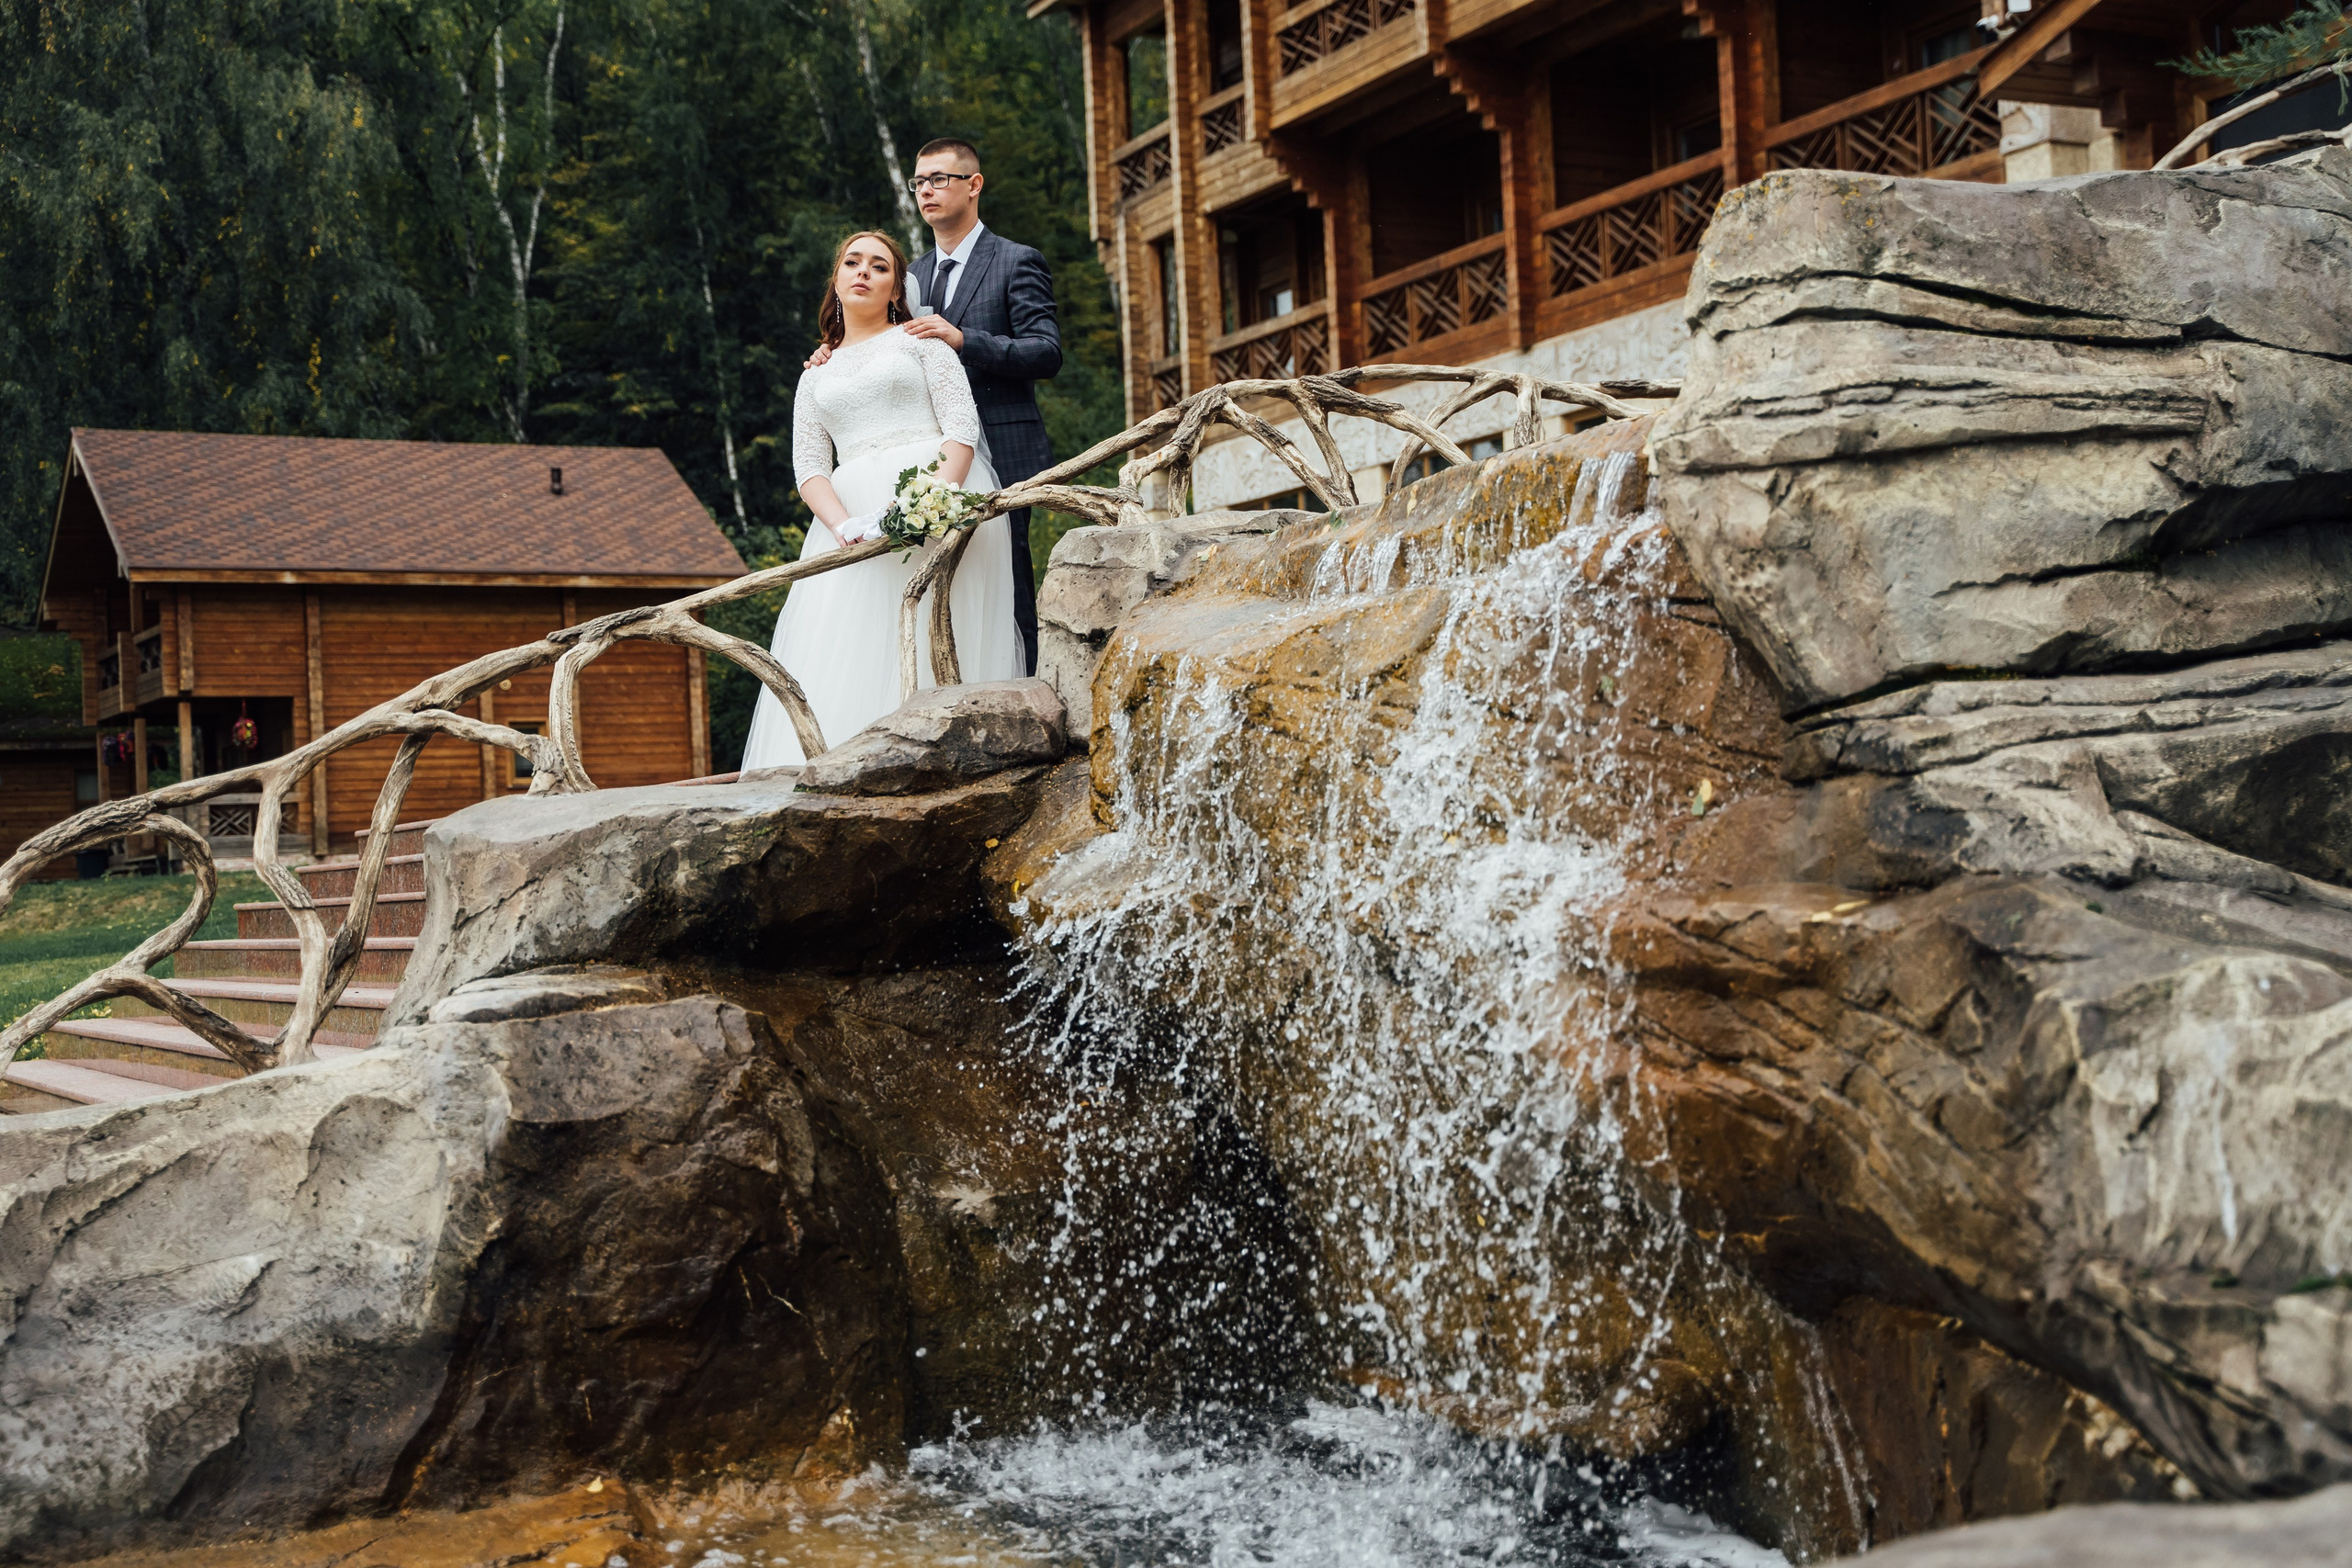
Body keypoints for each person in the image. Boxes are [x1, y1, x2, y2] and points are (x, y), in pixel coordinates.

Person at [738, 230, 1021, 769]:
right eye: (852, 262)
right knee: (850, 647)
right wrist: (845, 525)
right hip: (850, 522)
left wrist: (929, 503)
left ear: (896, 288)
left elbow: (960, 429)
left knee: (935, 626)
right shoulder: (815, 374)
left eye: (880, 266)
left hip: (937, 498)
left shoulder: (923, 344)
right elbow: (810, 469)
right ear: (837, 281)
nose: (864, 271)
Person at [810, 137, 1062, 672]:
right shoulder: (909, 274)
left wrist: (965, 339)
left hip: (1002, 446)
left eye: (940, 179)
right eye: (919, 182)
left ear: (973, 186)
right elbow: (877, 346)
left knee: (1004, 582)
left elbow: (1047, 352)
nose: (927, 190)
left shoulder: (1017, 261)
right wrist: (833, 352)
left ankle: (1027, 698)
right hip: (919, 453)